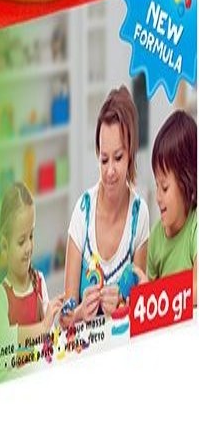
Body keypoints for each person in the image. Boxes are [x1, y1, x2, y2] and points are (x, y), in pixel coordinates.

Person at [63, 86, 149, 323]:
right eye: (104, 159)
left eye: (118, 157)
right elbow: (64, 318)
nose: (110, 171)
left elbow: (139, 307)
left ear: (130, 153)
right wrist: (80, 312)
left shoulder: (139, 214)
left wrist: (122, 303)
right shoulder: (83, 211)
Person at [0, 182, 63, 350]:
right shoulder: (0, 296)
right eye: (21, 241)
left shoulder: (39, 282)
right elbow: (4, 340)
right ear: (4, 246)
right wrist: (43, 327)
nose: (29, 247)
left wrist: (60, 320)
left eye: (31, 236)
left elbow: (50, 338)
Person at [147, 110, 197, 305]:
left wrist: (156, 293)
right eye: (156, 186)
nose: (158, 197)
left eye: (165, 187)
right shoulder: (155, 239)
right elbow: (147, 303)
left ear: (186, 182)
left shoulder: (195, 227)